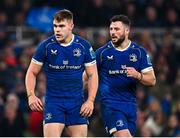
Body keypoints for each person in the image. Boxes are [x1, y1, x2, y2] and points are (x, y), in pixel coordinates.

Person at [25, 9, 98, 137]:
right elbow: (31, 72)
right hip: (54, 102)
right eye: (55, 26)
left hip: (76, 103)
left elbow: (93, 75)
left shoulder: (83, 46)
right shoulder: (46, 46)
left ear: (71, 26)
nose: (57, 30)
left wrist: (90, 100)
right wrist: (31, 95)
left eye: (61, 26)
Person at [84, 15, 156, 137]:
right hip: (110, 105)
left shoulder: (139, 52)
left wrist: (138, 75)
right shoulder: (102, 53)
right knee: (124, 136)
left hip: (131, 107)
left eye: (116, 29)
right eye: (111, 29)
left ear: (127, 31)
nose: (112, 32)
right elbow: (86, 77)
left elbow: (152, 80)